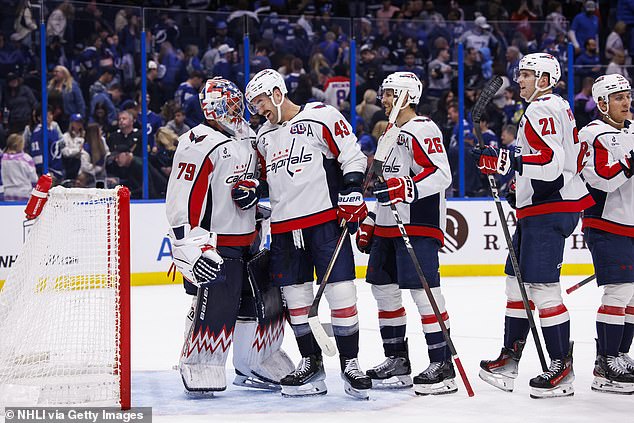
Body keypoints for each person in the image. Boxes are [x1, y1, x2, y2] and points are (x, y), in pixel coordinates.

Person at [243, 69, 372, 399]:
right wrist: (252, 189)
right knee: (297, 300)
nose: (259, 109)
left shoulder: (321, 115)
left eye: (260, 101)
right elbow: (264, 178)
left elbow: (351, 155)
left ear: (275, 92)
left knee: (341, 294)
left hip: (325, 222)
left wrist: (354, 188)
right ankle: (311, 363)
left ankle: (350, 363)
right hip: (285, 229)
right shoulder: (263, 137)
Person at [473, 53, 595, 398]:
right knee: (517, 284)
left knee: (541, 289)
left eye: (526, 74)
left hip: (550, 207)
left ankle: (562, 367)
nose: (519, 79)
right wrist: (510, 175)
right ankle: (510, 358)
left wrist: (507, 159)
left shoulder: (543, 108)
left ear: (544, 78)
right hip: (539, 207)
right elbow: (541, 163)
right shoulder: (549, 107)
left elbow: (550, 164)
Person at [165, 77, 294, 395]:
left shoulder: (250, 136)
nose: (235, 108)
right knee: (216, 303)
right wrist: (187, 245)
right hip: (216, 244)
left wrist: (256, 191)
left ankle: (256, 361)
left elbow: (262, 176)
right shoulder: (198, 141)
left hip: (250, 238)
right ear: (211, 108)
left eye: (237, 101)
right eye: (227, 103)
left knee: (264, 303)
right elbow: (182, 198)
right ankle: (200, 361)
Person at [354, 72, 455, 395]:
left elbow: (441, 175)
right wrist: (372, 219)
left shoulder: (422, 128)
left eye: (389, 94)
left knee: (424, 294)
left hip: (417, 224)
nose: (383, 100)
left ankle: (442, 364)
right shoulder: (389, 134)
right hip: (387, 227)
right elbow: (386, 187)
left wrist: (405, 188)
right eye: (383, 94)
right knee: (383, 291)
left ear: (407, 95)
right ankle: (397, 360)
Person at [578, 73, 634, 394]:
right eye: (618, 97)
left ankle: (620, 355)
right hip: (606, 222)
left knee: (632, 295)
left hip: (630, 222)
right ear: (602, 103)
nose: (626, 102)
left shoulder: (631, 130)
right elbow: (603, 178)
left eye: (627, 96)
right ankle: (605, 363)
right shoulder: (594, 133)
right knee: (619, 292)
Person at [1, 133, 37, 201]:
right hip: (24, 194)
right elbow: (34, 178)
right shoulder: (26, 158)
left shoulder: (3, 158)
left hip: (8, 194)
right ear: (21, 145)